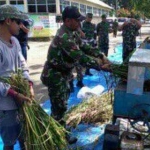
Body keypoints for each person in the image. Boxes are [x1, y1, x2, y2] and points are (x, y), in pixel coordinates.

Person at [44, 6, 110, 144]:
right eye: (77, 20)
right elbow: (80, 57)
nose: (79, 23)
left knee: (62, 104)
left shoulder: (72, 33)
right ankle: (58, 136)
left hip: (64, 74)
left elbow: (84, 47)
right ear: (68, 21)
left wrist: (100, 55)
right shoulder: (64, 37)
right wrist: (99, 65)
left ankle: (58, 130)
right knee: (59, 107)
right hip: (55, 75)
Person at [0, 4, 34, 150]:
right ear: (8, 21)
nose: (21, 26)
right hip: (4, 105)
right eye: (18, 22)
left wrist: (29, 84)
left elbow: (22, 64)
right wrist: (13, 93)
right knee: (9, 141)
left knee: (24, 136)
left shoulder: (15, 42)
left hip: (20, 99)